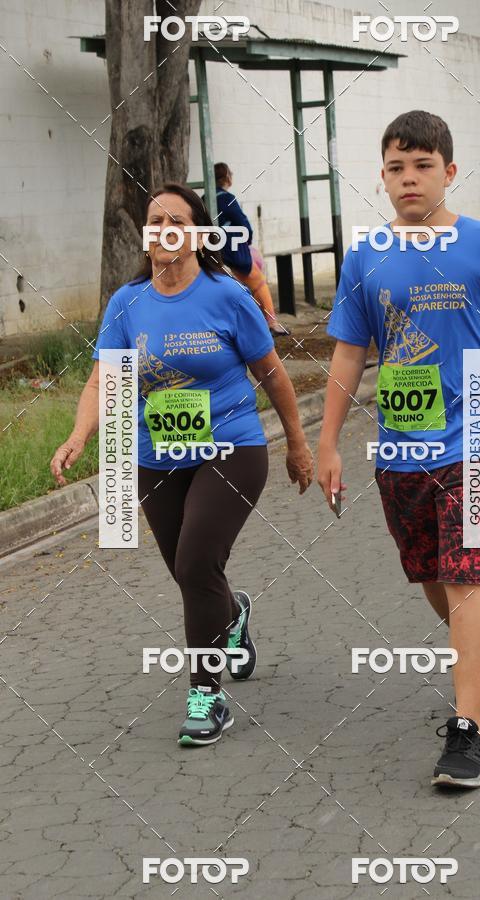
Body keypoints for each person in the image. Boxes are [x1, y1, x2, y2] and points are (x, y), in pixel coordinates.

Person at [317, 111, 480, 788]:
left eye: (423, 166)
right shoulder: (367, 255)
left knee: (466, 574)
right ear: (382, 177)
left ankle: (467, 731)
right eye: (396, 167)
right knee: (430, 571)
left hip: (478, 430)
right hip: (401, 444)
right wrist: (328, 442)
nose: (409, 179)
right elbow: (349, 352)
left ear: (449, 172)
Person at [51, 182, 313, 747]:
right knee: (190, 573)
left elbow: (271, 373)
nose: (164, 229)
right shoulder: (127, 303)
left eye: (177, 221)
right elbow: (102, 380)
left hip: (231, 449)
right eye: (155, 221)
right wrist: (78, 435)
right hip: (156, 456)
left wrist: (297, 443)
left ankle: (207, 696)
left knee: (195, 562)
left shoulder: (228, 296)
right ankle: (232, 617)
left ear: (198, 236)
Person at [213, 162, 288, 337]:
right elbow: (243, 224)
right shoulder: (226, 198)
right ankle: (272, 323)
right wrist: (246, 240)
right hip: (229, 252)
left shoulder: (203, 199)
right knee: (258, 281)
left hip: (210, 251)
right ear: (227, 178)